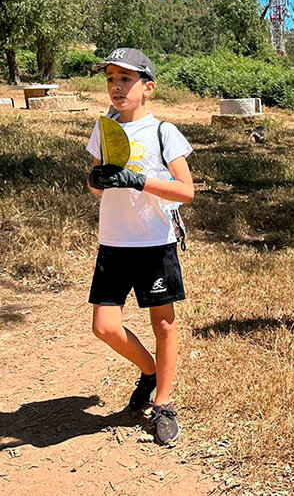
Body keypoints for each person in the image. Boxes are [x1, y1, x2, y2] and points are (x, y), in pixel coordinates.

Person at [85, 48, 194, 445]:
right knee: (104, 326)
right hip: (113, 241)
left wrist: (138, 181)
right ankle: (149, 371)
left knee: (163, 323)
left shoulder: (164, 132)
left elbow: (186, 191)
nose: (116, 87)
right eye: (111, 79)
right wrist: (99, 180)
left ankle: (163, 402)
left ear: (147, 87)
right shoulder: (103, 129)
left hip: (153, 242)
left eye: (125, 79)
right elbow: (95, 187)